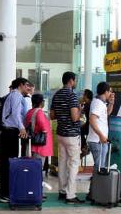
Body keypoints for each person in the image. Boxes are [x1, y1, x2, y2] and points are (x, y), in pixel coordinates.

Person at [50, 72, 83, 204]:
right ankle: (71, 195)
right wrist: (80, 110)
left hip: (61, 133)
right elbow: (75, 117)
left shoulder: (57, 95)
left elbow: (52, 115)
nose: (75, 83)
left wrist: (62, 115)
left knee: (62, 163)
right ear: (71, 80)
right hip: (72, 135)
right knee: (74, 163)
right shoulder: (72, 95)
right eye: (75, 80)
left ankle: (62, 191)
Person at [0, 77, 30, 203]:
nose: (28, 88)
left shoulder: (13, 95)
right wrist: (22, 128)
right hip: (10, 132)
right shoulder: (16, 96)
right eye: (26, 85)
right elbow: (16, 114)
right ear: (21, 85)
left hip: (7, 132)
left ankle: (5, 191)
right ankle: (5, 193)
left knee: (7, 163)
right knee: (9, 163)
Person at [87, 82, 115, 172]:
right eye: (110, 91)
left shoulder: (100, 102)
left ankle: (95, 186)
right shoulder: (98, 103)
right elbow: (92, 119)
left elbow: (106, 114)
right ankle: (96, 186)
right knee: (99, 168)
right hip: (97, 141)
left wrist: (111, 103)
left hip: (100, 140)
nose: (110, 94)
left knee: (99, 167)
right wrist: (101, 135)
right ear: (106, 92)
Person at [25, 93, 53, 161]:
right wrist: (45, 130)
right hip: (40, 143)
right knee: (38, 165)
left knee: (32, 164)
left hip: (32, 141)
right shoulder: (39, 111)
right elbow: (42, 123)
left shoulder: (29, 111)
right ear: (41, 102)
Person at [80, 89, 93, 157]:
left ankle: (85, 147)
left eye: (83, 95)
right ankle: (85, 147)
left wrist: (80, 104)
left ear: (86, 96)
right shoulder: (91, 103)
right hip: (90, 124)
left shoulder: (87, 105)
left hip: (90, 126)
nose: (82, 97)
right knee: (81, 128)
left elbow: (80, 114)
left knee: (80, 130)